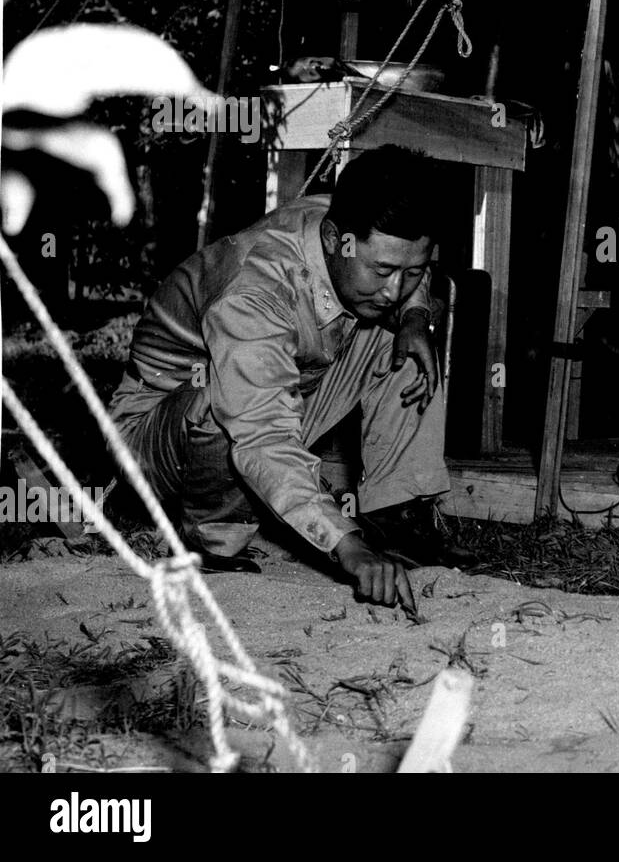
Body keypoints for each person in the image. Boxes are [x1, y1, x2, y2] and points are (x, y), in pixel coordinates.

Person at [109, 144, 472, 612]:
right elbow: (261, 431)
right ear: (336, 240)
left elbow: (402, 265)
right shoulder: (254, 293)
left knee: (400, 343)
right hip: (157, 442)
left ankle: (394, 514)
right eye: (382, 271)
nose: (393, 289)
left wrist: (413, 317)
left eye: (412, 272)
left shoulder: (344, 215)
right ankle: (210, 542)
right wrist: (347, 546)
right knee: (219, 398)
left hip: (281, 389)